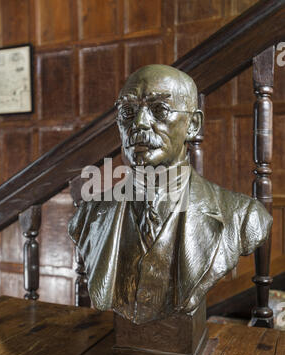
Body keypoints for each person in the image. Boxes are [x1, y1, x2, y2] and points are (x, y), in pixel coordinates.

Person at [69, 64, 272, 325]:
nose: (139, 123)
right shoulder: (88, 216)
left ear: (193, 125)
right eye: (128, 112)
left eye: (159, 110)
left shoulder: (243, 216)